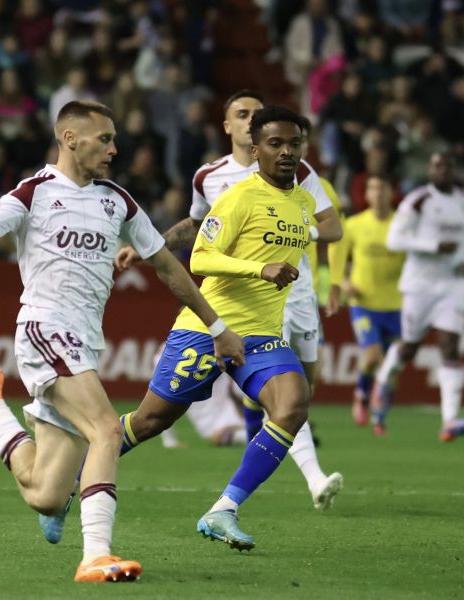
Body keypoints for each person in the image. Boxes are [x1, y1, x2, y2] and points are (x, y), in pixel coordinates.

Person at [0, 100, 245, 583]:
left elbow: (167, 267)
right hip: (45, 330)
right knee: (107, 429)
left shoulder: (118, 201)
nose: (114, 149)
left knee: (46, 495)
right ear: (70, 139)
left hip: (83, 345)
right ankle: (95, 554)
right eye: (105, 139)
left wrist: (217, 327)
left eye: (114, 140)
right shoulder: (35, 191)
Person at [115, 90, 344, 512]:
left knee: (295, 401)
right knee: (151, 420)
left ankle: (226, 509)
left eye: (294, 143)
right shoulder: (223, 185)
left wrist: (319, 264)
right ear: (246, 139)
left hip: (273, 320)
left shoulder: (303, 194)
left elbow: (332, 227)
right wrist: (153, 249)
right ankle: (79, 470)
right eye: (275, 142)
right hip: (214, 323)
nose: (287, 151)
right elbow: (200, 245)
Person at [372, 153, 464, 442]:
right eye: (437, 166)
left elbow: (461, 239)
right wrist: (433, 245)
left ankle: (449, 420)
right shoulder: (417, 200)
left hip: (452, 283)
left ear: (453, 170)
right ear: (430, 170)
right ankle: (383, 380)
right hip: (420, 285)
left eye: (447, 166)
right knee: (409, 348)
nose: (442, 170)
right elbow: (394, 240)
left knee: (450, 346)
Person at [327, 176, 405, 436]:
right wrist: (344, 283)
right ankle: (361, 394)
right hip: (364, 303)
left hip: (397, 305)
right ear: (367, 194)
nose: (377, 193)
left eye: (382, 187)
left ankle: (380, 417)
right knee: (372, 356)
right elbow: (337, 258)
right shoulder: (355, 224)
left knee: (390, 366)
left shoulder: (402, 224)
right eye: (372, 188)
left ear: (391, 192)